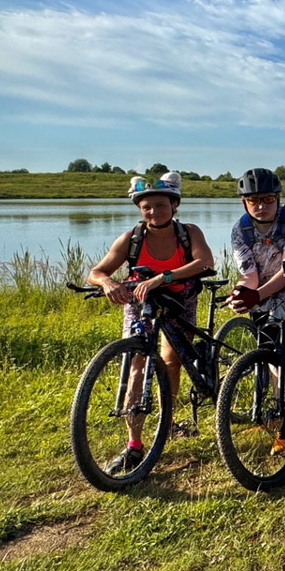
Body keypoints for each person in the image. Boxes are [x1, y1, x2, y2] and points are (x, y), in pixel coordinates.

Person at [86, 171, 216, 472]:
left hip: (179, 301)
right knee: (137, 364)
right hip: (139, 302)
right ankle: (134, 443)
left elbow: (204, 262)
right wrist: (107, 284)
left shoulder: (189, 233)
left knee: (171, 361)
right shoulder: (131, 238)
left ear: (174, 206)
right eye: (147, 207)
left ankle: (167, 421)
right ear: (139, 210)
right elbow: (96, 271)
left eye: (161, 205)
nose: (154, 211)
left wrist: (164, 277)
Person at [226, 167, 285, 453]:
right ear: (244, 203)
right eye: (254, 201)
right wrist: (242, 293)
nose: (261, 206)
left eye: (267, 199)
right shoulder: (240, 229)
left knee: (282, 349)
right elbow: (249, 273)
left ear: (278, 198)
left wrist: (256, 295)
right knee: (272, 355)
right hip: (262, 293)